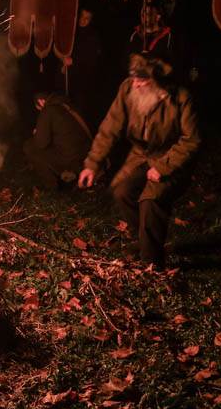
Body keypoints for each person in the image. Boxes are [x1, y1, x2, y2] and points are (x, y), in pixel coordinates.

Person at [78, 54, 201, 269]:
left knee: (150, 200)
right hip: (141, 154)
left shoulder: (180, 97)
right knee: (122, 192)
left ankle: (151, 263)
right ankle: (146, 241)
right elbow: (110, 127)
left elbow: (191, 140)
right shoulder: (128, 88)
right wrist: (92, 164)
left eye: (142, 80)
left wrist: (163, 166)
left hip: (171, 156)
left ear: (157, 81)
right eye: (134, 78)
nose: (135, 84)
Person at [25, 92, 92, 191]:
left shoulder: (48, 110)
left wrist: (37, 133)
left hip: (72, 160)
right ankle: (71, 174)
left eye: (39, 109)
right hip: (88, 156)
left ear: (41, 101)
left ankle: (52, 187)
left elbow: (41, 143)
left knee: (30, 146)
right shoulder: (69, 105)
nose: (40, 111)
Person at [61, 7, 104, 128]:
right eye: (82, 16)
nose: (83, 20)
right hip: (68, 79)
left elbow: (92, 60)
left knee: (79, 115)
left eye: (87, 18)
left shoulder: (93, 36)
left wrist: (74, 61)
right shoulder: (71, 32)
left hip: (83, 83)